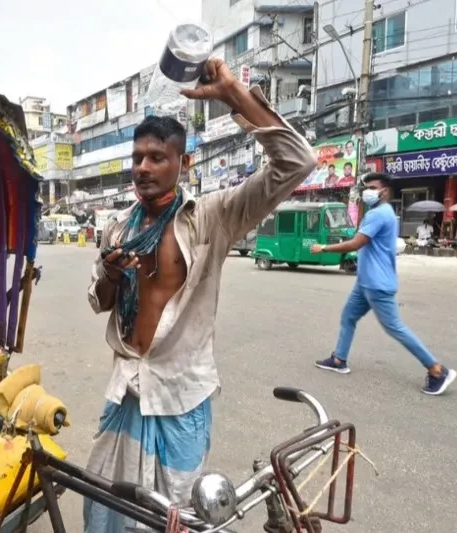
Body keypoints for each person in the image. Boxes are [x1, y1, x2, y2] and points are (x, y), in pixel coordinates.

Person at [84, 58, 315, 532]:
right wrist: (110, 274)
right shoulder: (116, 229)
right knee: (107, 508)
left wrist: (233, 93)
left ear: (183, 162)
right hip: (127, 390)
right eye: (138, 158)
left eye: (157, 157)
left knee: (184, 520)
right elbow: (100, 300)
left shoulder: (213, 217)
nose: (143, 167)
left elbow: (298, 162)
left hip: (181, 397)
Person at [310, 173, 456, 396]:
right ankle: (339, 359)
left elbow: (357, 243)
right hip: (365, 282)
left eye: (371, 187)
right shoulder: (381, 213)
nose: (366, 191)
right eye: (365, 187)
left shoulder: (378, 214)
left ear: (384, 191)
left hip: (377, 284)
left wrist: (324, 248)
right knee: (348, 316)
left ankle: (437, 370)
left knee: (395, 327)